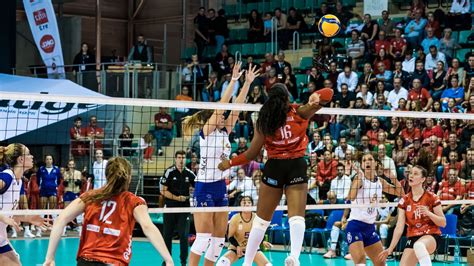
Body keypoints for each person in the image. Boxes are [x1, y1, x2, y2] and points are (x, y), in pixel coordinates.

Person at [219, 84, 327, 266]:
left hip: (274, 167)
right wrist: (316, 97)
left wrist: (229, 162)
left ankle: (246, 263)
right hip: (296, 166)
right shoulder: (299, 111)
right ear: (287, 97)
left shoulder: (265, 119)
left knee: (261, 221)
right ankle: (294, 256)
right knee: (297, 217)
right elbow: (328, 95)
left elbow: (251, 154)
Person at [183, 62, 259, 266]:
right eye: (220, 114)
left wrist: (247, 84)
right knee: (203, 238)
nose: (224, 116)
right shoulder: (206, 132)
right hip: (204, 186)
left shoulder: (225, 131)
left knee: (218, 241)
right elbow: (222, 107)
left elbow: (237, 106)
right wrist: (233, 81)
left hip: (220, 186)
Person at [42, 157, 173, 266]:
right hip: (113, 262)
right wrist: (168, 259)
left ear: (106, 175)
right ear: (128, 178)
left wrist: (50, 257)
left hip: (85, 261)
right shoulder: (134, 201)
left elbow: (60, 219)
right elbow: (148, 227)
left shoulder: (90, 196)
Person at [379, 158, 446, 266]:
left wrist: (429, 213)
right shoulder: (404, 200)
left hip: (431, 236)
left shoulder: (432, 197)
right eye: (410, 173)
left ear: (423, 179)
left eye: (415, 174)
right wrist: (390, 249)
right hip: (413, 237)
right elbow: (399, 227)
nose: (411, 176)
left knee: (419, 246)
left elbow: (443, 223)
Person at [343, 153, 404, 266]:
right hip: (355, 226)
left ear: (375, 163)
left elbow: (401, 193)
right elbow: (351, 197)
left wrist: (393, 178)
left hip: (370, 228)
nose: (367, 162)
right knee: (361, 261)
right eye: (364, 160)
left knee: (381, 263)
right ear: (362, 164)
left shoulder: (380, 182)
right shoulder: (359, 179)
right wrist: (358, 179)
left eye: (370, 159)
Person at [0, 144, 49, 266]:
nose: (32, 157)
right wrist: (1, 217)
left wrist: (27, 218)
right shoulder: (6, 177)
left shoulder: (19, 181)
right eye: (29, 154)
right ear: (21, 159)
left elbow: (9, 213)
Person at [160, 150, 196, 266]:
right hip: (170, 207)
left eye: (183, 157)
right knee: (167, 235)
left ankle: (183, 263)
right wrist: (177, 198)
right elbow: (163, 190)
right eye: (179, 157)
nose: (181, 160)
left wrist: (193, 195)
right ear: (175, 159)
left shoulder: (190, 174)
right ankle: (167, 261)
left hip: (184, 209)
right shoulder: (169, 172)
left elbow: (199, 187)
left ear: (186, 159)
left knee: (184, 236)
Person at [216, 196, 272, 266]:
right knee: (221, 263)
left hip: (253, 248)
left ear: (252, 205)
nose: (247, 204)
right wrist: (237, 246)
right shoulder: (235, 218)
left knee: (268, 265)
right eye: (244, 202)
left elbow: (259, 234)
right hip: (236, 248)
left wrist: (263, 241)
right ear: (240, 205)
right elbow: (230, 237)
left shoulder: (257, 218)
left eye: (249, 202)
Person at [37, 154, 62, 237]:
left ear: (52, 160)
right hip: (43, 191)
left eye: (50, 159)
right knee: (42, 211)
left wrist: (54, 186)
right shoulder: (41, 169)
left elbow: (59, 180)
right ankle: (39, 230)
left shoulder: (56, 169)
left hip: (52, 191)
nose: (48, 160)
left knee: (53, 211)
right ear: (45, 160)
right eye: (47, 159)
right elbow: (38, 180)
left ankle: (55, 230)